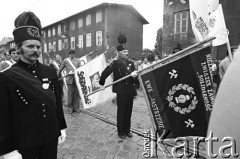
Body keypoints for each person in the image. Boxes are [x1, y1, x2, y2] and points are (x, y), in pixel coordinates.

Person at [0, 11, 67, 159]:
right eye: (30, 46)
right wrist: (7, 149)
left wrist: (61, 127)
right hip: (25, 143)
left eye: (38, 46)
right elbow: (3, 117)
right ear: (19, 48)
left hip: (50, 137)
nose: (35, 50)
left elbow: (57, 103)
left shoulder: (49, 72)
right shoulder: (6, 77)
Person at [99, 32, 138, 139]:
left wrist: (135, 76)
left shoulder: (131, 62)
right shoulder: (115, 62)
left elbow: (135, 77)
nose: (126, 53)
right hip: (121, 91)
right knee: (121, 112)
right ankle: (121, 132)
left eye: (127, 51)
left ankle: (127, 130)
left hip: (130, 91)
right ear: (119, 53)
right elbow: (105, 73)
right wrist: (101, 83)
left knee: (128, 112)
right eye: (124, 52)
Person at [207, 45, 240, 159]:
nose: (235, 52)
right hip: (228, 85)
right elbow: (228, 74)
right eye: (234, 51)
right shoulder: (227, 62)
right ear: (229, 52)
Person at [58, 49, 82, 114]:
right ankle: (70, 108)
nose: (72, 55)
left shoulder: (78, 60)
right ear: (69, 54)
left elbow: (80, 69)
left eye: (73, 54)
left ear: (75, 54)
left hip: (77, 80)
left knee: (77, 94)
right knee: (70, 94)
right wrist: (57, 76)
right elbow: (60, 69)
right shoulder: (66, 60)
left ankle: (76, 107)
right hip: (69, 79)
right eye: (71, 54)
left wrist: (76, 70)